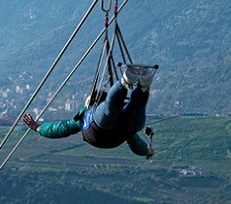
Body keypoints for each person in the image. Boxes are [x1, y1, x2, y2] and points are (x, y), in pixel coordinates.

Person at [23, 65, 155, 158]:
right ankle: (141, 87)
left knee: (114, 109)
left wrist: (38, 128)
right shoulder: (88, 115)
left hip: (100, 132)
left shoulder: (84, 116)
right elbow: (137, 146)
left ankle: (128, 84)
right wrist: (148, 151)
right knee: (133, 111)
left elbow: (60, 128)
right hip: (112, 132)